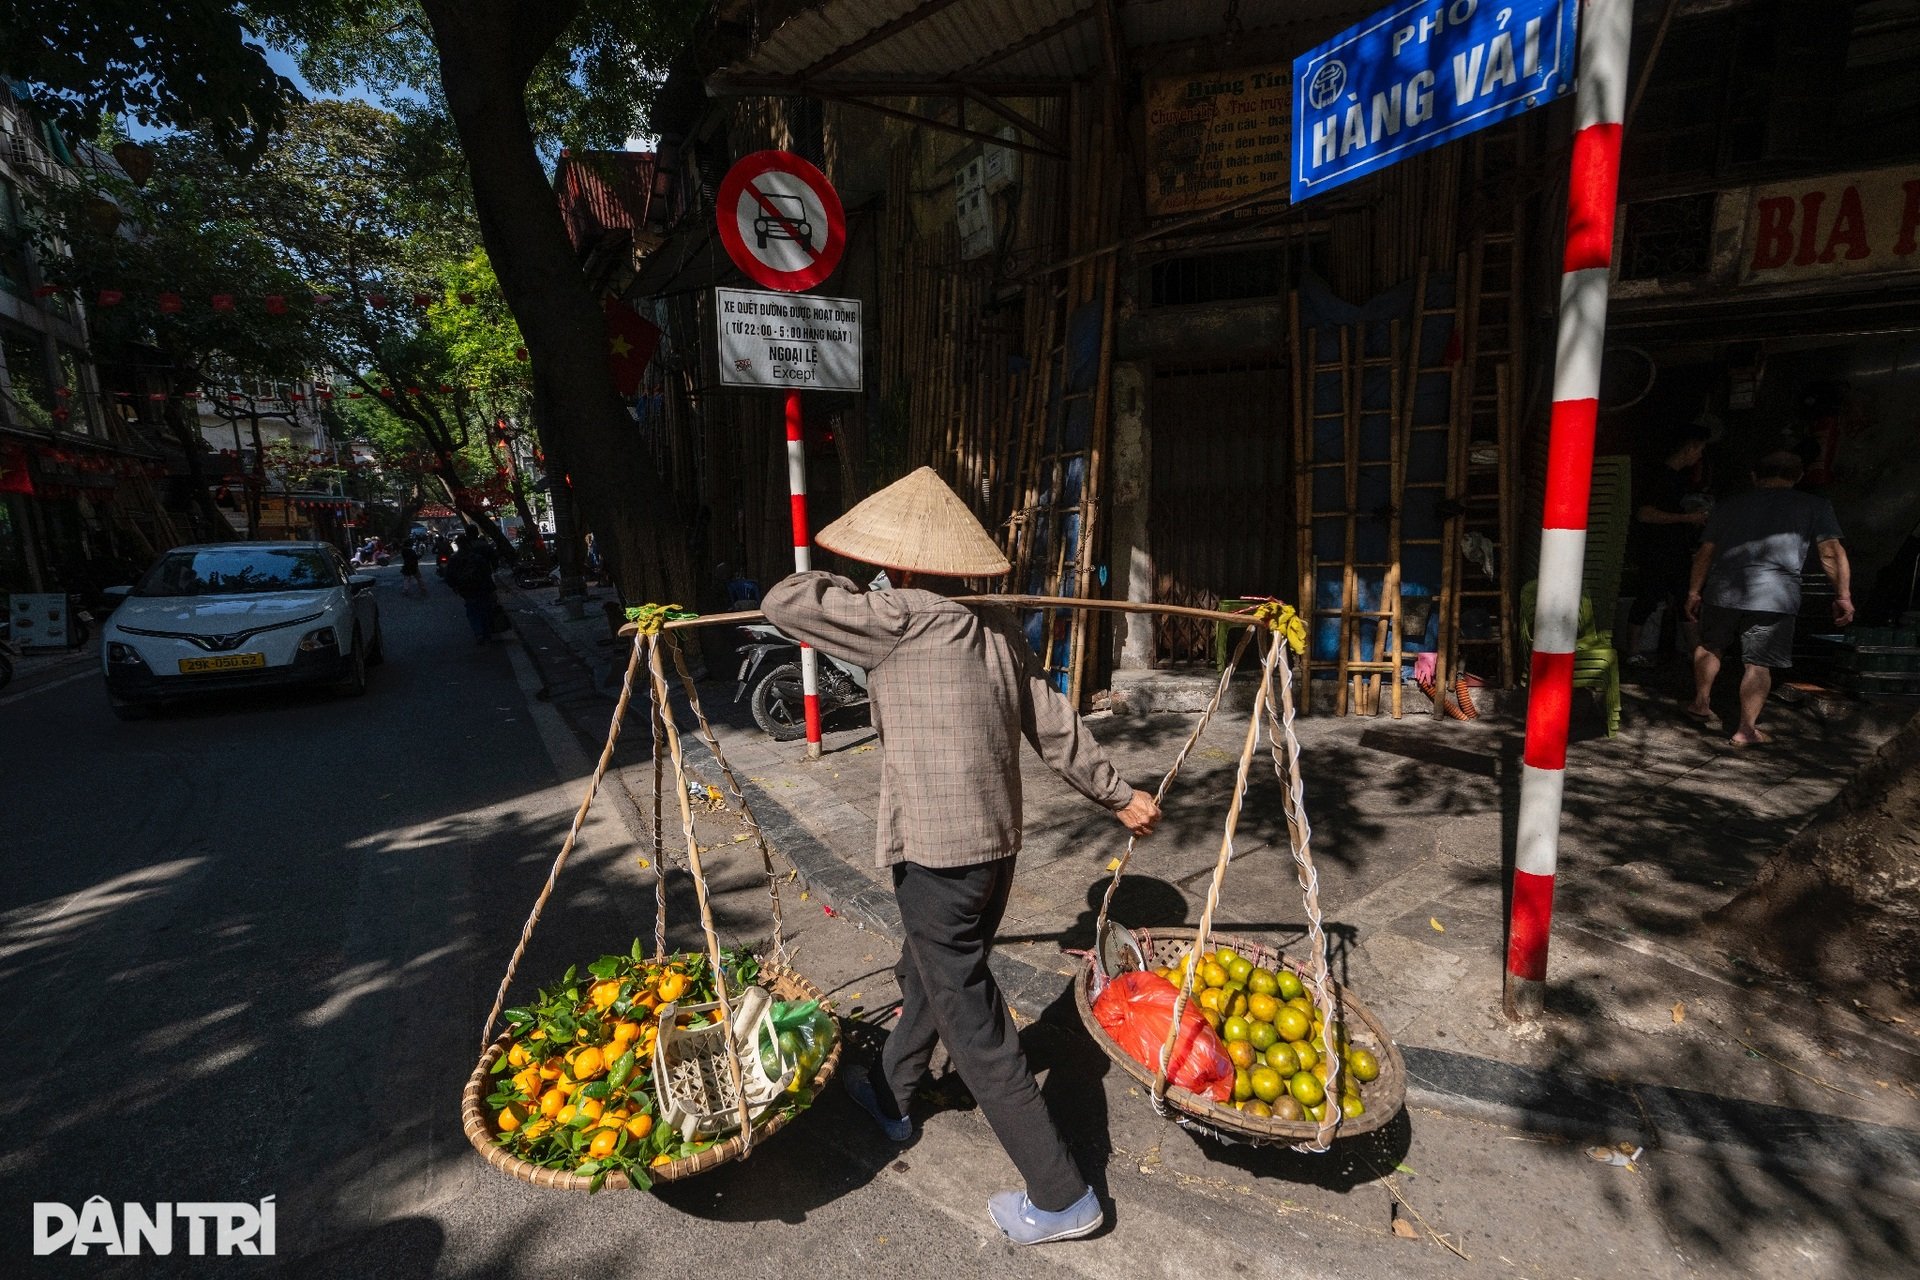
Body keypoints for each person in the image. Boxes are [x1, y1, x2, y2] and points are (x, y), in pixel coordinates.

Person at [762, 467, 1161, 1247]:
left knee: (973, 1021)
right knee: (929, 971)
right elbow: (1054, 727)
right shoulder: (998, 623)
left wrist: (866, 583)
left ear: (903, 565)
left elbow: (785, 599)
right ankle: (893, 1092)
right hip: (992, 854)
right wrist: (1117, 794)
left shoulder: (898, 616)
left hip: (940, 859)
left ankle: (1061, 1194)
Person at [1684, 451, 1853, 746]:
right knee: (1758, 663)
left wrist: (1693, 592)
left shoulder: (1728, 506)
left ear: (1754, 476)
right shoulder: (1814, 505)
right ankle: (1746, 729)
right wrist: (1843, 595)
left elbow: (1705, 552)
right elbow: (1830, 553)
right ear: (1798, 476)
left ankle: (1700, 702)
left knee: (1710, 645)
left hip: (1723, 589)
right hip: (1775, 596)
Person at [1626, 422, 1713, 665]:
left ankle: (1696, 653)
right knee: (1648, 597)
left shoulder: (1681, 479)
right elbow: (1645, 514)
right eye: (1699, 450)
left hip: (1677, 549)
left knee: (1687, 597)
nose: (1699, 456)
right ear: (1690, 448)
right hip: (1656, 549)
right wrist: (1688, 518)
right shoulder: (1659, 476)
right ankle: (1633, 652)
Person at [445, 531, 499, 643]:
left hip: (466, 588)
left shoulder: (455, 559)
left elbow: (449, 575)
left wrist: (455, 586)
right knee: (484, 609)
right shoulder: (477, 557)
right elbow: (486, 574)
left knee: (472, 610)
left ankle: (478, 632)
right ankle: (486, 632)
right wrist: (492, 588)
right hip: (482, 587)